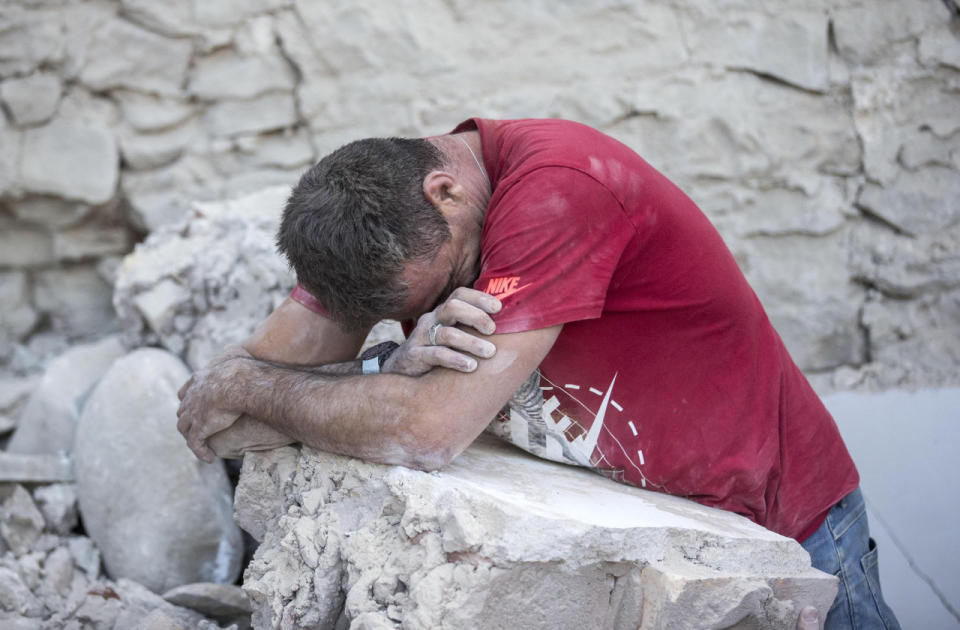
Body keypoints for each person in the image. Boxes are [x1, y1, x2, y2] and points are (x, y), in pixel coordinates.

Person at [176, 118, 900, 629]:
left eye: (445, 283)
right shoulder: (373, 225)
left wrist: (260, 388)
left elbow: (425, 430)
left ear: (445, 192)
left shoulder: (561, 189)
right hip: (648, 532)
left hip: (781, 525)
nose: (434, 311)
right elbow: (227, 415)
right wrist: (387, 364)